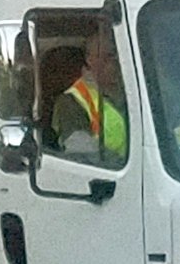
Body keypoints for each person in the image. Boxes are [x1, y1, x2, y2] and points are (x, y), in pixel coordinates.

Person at [43, 33, 129, 166]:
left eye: (118, 56)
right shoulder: (71, 101)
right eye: (110, 56)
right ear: (89, 59)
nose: (116, 62)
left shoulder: (134, 90)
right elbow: (82, 154)